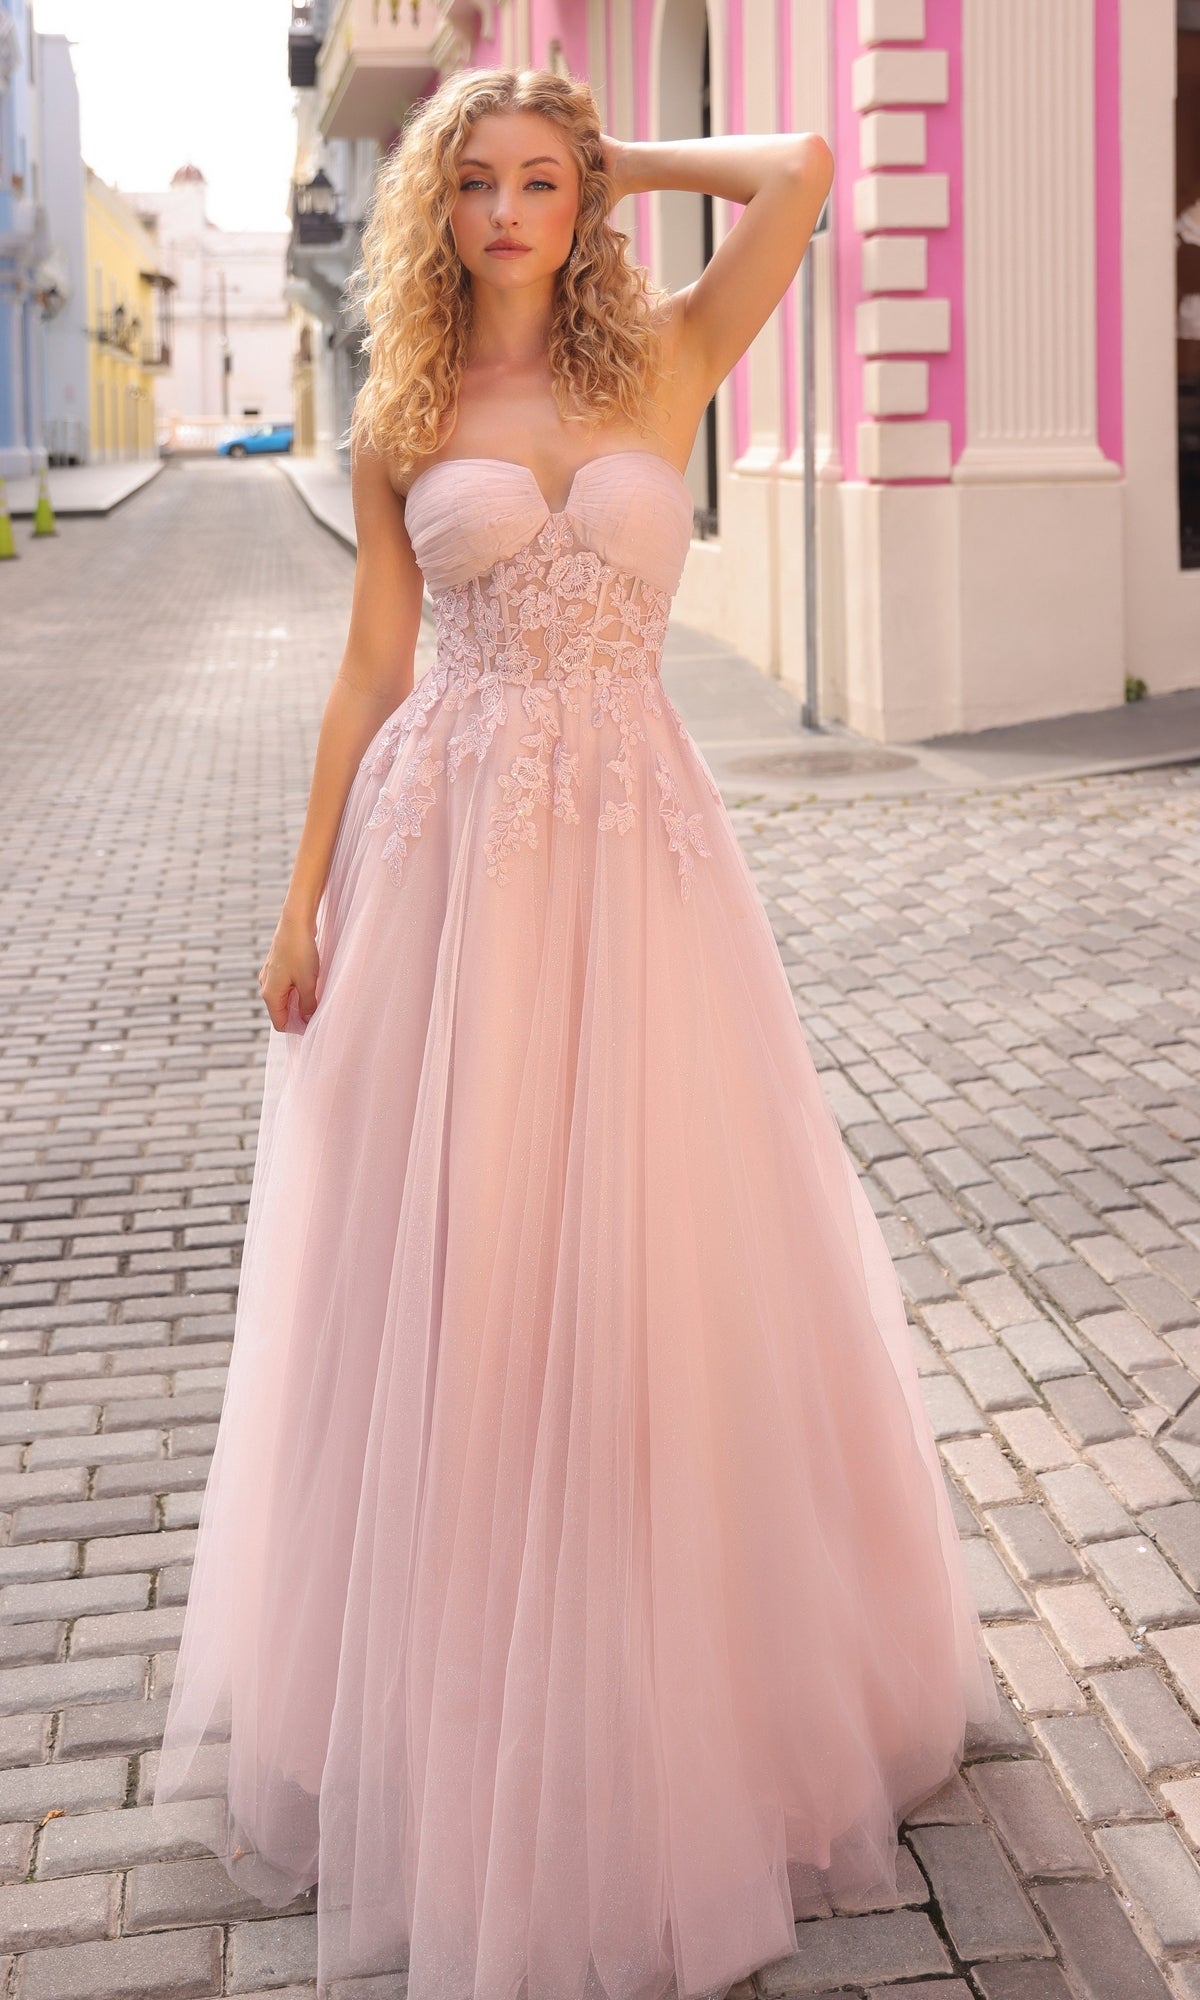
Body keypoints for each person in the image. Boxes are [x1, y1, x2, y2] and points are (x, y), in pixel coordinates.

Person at [153, 64, 1001, 2000]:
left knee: (649, 1264)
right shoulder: (404, 413)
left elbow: (800, 171)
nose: (515, 209)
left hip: (635, 866)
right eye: (483, 182)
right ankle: (454, 1686)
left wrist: (632, 153)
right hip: (449, 865)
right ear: (437, 212)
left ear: (581, 196)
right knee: (462, 1268)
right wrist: (301, 900)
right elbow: (377, 657)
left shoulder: (671, 357)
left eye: (546, 180)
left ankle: (672, 1668)